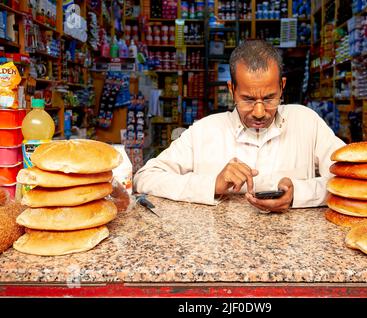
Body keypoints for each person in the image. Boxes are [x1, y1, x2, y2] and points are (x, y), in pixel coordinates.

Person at [134, 40, 345, 212]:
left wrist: (299, 193)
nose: (260, 112)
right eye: (248, 99)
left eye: (270, 98)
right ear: (232, 89)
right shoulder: (204, 130)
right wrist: (211, 185)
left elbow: (351, 180)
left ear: (282, 86)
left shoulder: (307, 122)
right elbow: (145, 177)